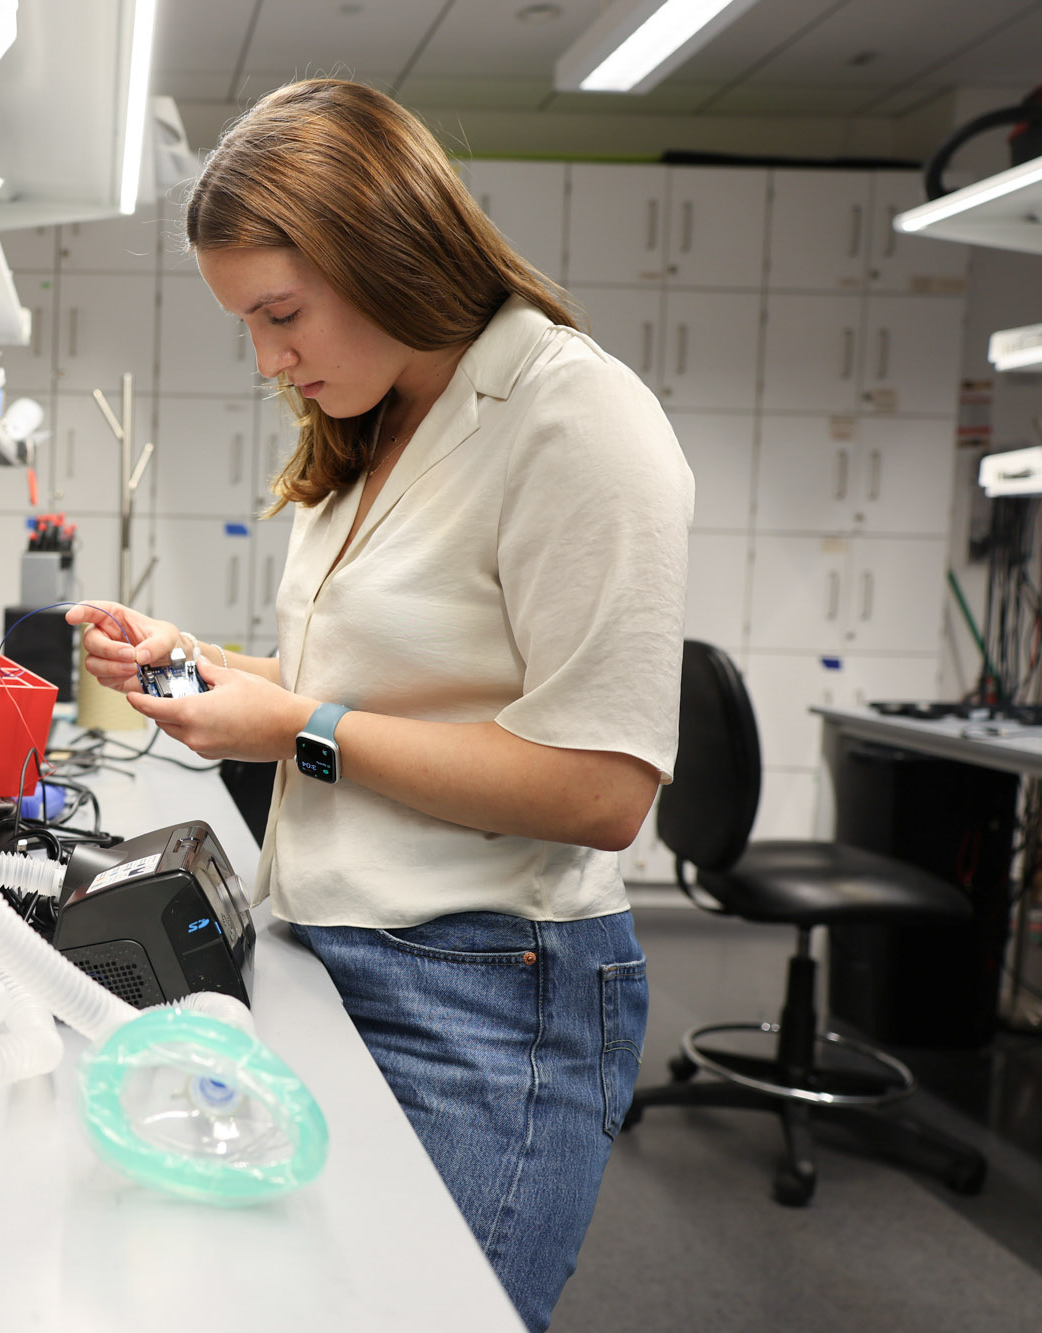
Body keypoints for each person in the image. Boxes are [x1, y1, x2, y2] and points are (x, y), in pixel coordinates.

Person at [66, 79, 692, 1332]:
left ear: (387, 252)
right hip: (332, 949)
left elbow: (601, 791)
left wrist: (290, 727)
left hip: (483, 986)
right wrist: (215, 671)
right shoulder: (379, 423)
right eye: (246, 324)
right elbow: (383, 694)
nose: (268, 358)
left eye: (280, 313)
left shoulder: (574, 418)